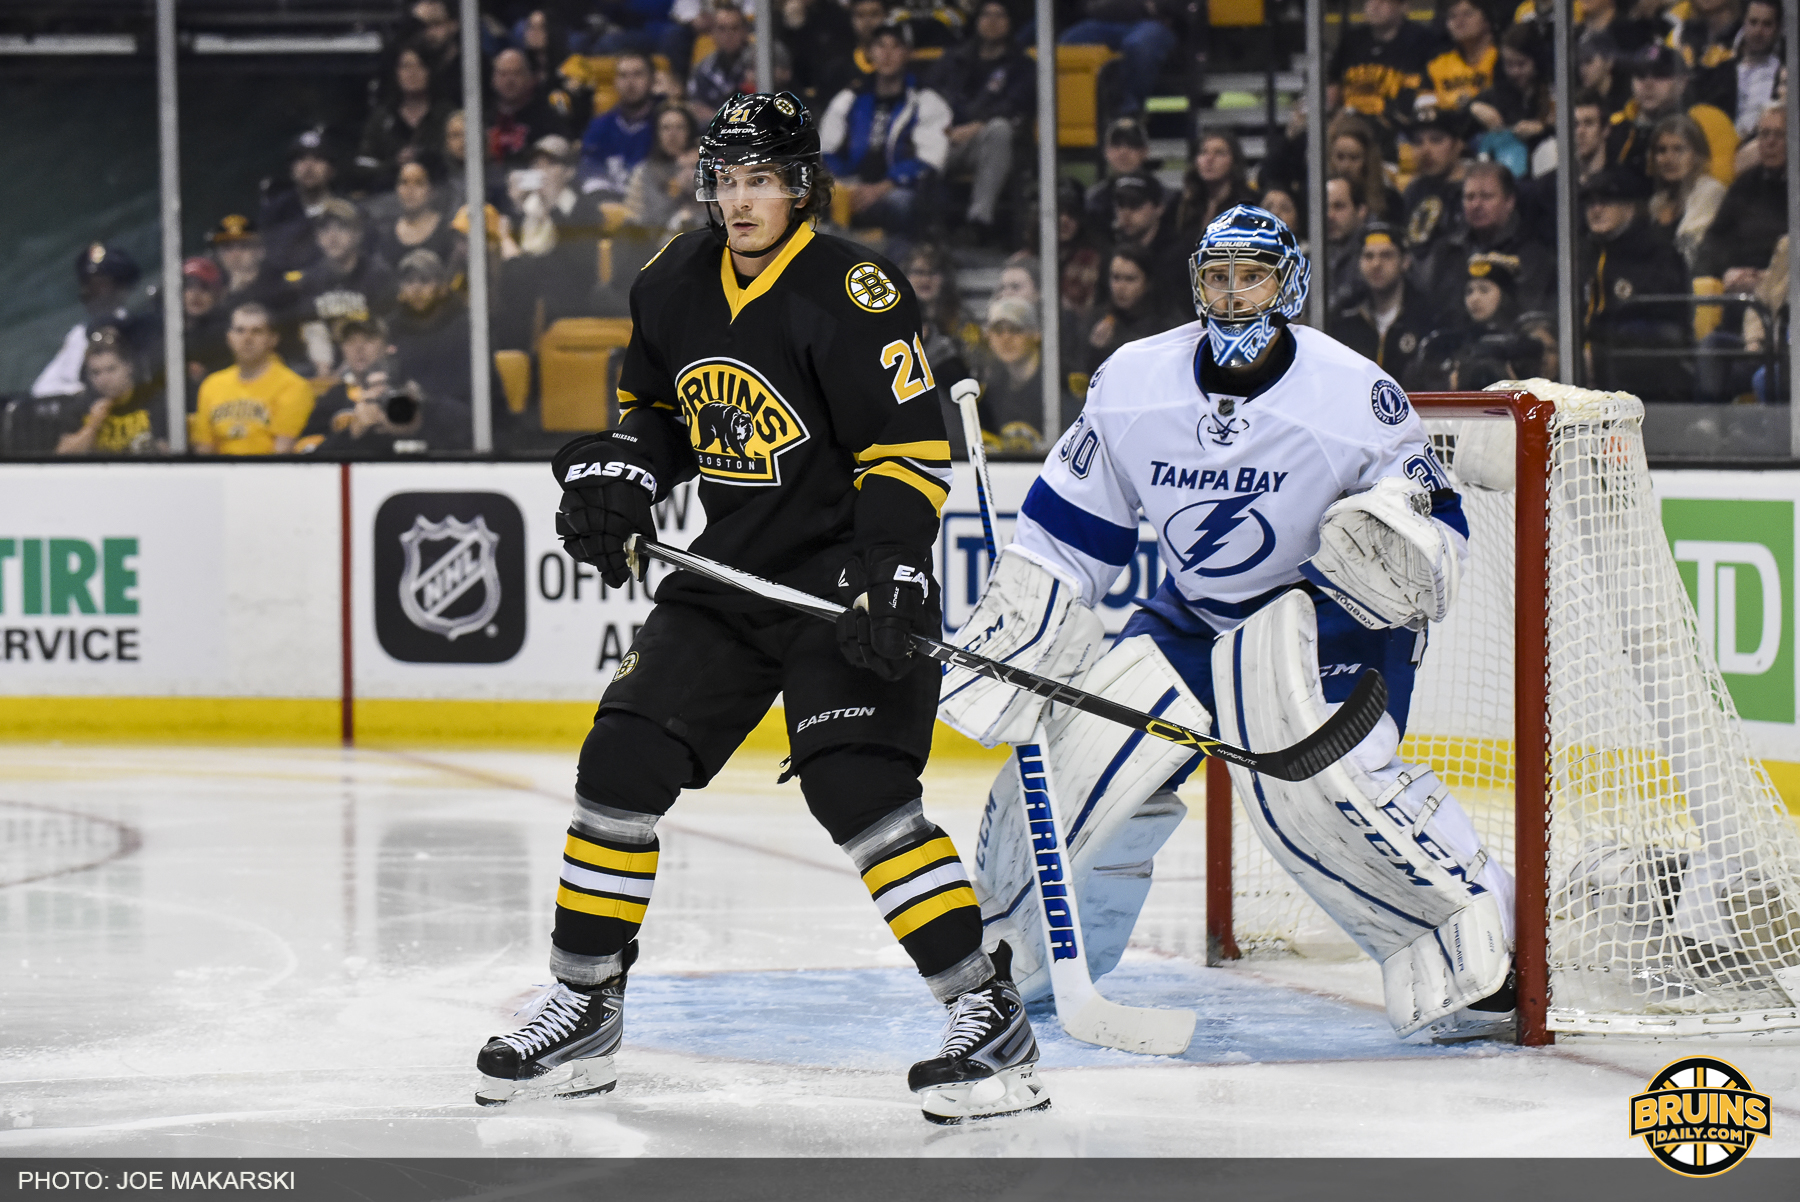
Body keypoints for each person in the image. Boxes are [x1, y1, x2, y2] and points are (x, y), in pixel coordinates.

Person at [474, 92, 1047, 1125]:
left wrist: (895, 572)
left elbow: (904, 451)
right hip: (733, 574)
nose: (740, 200)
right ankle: (586, 1002)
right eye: (726, 179)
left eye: (761, 179)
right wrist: (628, 475)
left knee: (859, 789)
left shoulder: (853, 291)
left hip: (844, 578)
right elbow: (654, 412)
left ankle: (985, 1008)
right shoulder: (671, 283)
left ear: (800, 187)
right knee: (620, 764)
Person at [941, 203, 1518, 1048]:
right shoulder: (1135, 383)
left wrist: (1400, 541)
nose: (1236, 296)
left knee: (1323, 786)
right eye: (1219, 277)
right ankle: (1021, 964)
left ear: (1291, 284)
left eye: (1254, 277)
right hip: (1196, 616)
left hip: (1328, 619)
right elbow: (1072, 530)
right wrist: (1029, 627)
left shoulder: (1353, 394)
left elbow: (1437, 524)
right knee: (1074, 771)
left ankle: (1483, 950)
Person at [820, 25, 952, 238]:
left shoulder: (926, 99)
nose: (887, 54)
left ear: (908, 53)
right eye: (880, 46)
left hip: (898, 190)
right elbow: (826, 150)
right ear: (870, 52)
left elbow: (930, 161)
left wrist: (882, 187)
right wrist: (844, 184)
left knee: (903, 204)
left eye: (896, 46)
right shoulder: (850, 97)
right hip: (851, 186)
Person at [1579, 168, 1692, 400]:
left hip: (1646, 354)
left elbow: (1665, 310)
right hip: (1591, 349)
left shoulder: (1657, 249)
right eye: (1591, 203)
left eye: (1606, 202)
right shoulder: (1581, 252)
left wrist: (1596, 350)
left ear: (1629, 207)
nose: (1596, 210)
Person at [928, 0, 1034, 243]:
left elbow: (1015, 105)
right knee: (919, 138)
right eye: (986, 15)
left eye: (1000, 16)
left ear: (1010, 23)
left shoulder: (1022, 65)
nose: (992, 21)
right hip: (947, 138)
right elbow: (930, 96)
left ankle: (979, 221)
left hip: (989, 143)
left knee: (1000, 129)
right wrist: (943, 128)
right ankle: (926, 222)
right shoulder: (954, 59)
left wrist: (976, 127)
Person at [1419, 162, 1554, 316]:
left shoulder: (1533, 254)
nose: (1476, 205)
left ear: (1509, 201)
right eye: (1470, 197)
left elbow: (1531, 313)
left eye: (1486, 197)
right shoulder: (1447, 252)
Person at [30, 243, 153, 400]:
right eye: (87, 284)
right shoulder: (79, 333)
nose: (89, 292)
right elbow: (42, 389)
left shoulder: (135, 329)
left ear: (121, 287)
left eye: (99, 285)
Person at [292, 199, 398, 377]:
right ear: (317, 238)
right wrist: (323, 368)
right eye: (325, 230)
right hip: (327, 363)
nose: (332, 237)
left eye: (341, 228)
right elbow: (313, 329)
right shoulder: (311, 279)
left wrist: (347, 369)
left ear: (357, 234)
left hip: (373, 362)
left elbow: (386, 331)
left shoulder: (379, 275)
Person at [192, 302, 315, 456]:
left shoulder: (293, 386)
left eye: (257, 331)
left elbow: (282, 452)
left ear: (273, 339)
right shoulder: (212, 384)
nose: (247, 338)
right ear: (229, 338)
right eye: (240, 330)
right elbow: (204, 449)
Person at [1696, 102, 1788, 290]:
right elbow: (1715, 239)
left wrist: (1769, 276)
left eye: (1780, 135)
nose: (1770, 142)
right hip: (1740, 284)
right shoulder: (1745, 184)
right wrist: (1727, 271)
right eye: (1764, 134)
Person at [1330, 224, 1434, 381]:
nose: (1376, 264)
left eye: (1386, 255)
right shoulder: (1345, 318)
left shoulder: (1426, 317)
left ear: (1405, 262)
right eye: (1368, 256)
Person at [976, 295, 1073, 452]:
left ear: (1036, 334)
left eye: (1016, 330)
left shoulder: (1058, 384)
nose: (1006, 338)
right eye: (998, 331)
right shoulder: (990, 391)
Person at [1327, 0, 1439, 136]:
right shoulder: (1351, 40)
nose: (1374, 5)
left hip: (1400, 127)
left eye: (1383, 1)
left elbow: (1430, 93)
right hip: (1352, 124)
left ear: (1404, 7)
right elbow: (1333, 84)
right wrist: (1331, 114)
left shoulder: (1422, 41)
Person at [355, 41, 452, 190]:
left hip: (440, 194)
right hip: (387, 196)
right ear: (396, 72)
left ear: (430, 71)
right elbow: (364, 166)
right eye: (405, 66)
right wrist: (395, 163)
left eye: (419, 66)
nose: (412, 73)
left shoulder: (446, 115)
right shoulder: (382, 118)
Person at [1057, 0, 1180, 115]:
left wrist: (1160, 7)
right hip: (1105, 20)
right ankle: (1076, 118)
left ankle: (1129, 113)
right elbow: (1091, 6)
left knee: (1137, 44)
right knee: (1067, 43)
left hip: (1152, 23)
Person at [55, 336, 166, 456]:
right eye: (96, 373)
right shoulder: (83, 407)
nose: (103, 379)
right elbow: (63, 456)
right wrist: (93, 425)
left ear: (129, 367)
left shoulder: (153, 399)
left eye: (111, 369)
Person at [1647, 113, 1727, 269]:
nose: (1669, 158)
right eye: (1662, 150)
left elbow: (1691, 251)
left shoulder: (1710, 191)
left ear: (1697, 155)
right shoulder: (1658, 201)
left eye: (1679, 149)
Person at [1082, 244, 1177, 373]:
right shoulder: (1096, 320)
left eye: (1129, 279)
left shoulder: (1167, 326)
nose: (1120, 287)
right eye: (1116, 278)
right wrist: (1096, 350)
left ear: (1148, 283)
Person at [259, 129, 342, 275]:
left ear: (331, 170)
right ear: (291, 169)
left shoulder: (348, 211)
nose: (308, 167)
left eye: (317, 159)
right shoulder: (274, 214)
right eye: (301, 159)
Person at [580, 51, 660, 201]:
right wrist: (605, 202)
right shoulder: (599, 126)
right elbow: (589, 168)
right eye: (623, 76)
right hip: (606, 206)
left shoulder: (665, 124)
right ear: (615, 82)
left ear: (652, 80)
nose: (630, 82)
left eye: (637, 74)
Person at [488, 48, 577, 172]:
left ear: (530, 78)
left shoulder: (547, 117)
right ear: (493, 79)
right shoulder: (481, 115)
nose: (509, 80)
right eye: (503, 74)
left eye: (516, 73)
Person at [1402, 107, 1470, 262]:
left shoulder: (1475, 189)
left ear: (1458, 145)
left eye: (1436, 140)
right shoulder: (1413, 191)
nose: (1425, 150)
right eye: (1418, 142)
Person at [626, 104, 708, 233]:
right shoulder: (646, 171)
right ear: (657, 134)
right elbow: (655, 219)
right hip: (653, 242)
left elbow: (717, 215)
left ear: (690, 132)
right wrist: (678, 187)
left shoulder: (705, 167)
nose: (672, 135)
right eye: (666, 128)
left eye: (679, 128)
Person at [375, 154, 459, 270]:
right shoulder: (384, 232)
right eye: (404, 182)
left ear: (433, 190)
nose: (410, 190)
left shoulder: (447, 232)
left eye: (419, 183)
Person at [1174, 131, 1259, 244]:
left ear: (1234, 161)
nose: (1209, 159)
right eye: (1203, 152)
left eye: (1219, 153)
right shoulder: (1183, 203)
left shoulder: (1250, 205)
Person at [1327, 112, 1403, 223]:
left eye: (1354, 158)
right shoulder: (1319, 196)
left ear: (1367, 161)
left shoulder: (1390, 200)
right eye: (1340, 157)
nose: (1345, 166)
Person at [1425, 0, 1496, 113]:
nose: (1459, 21)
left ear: (1487, 20)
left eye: (1468, 14)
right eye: (1452, 16)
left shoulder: (1501, 59)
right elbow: (1426, 109)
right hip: (1448, 125)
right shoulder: (1437, 65)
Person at [687, 3, 753, 122]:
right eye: (722, 29)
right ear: (713, 33)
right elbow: (696, 110)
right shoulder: (704, 69)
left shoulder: (760, 64)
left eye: (734, 28)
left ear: (745, 31)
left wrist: (716, 117)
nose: (728, 35)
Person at [181, 256, 232, 386]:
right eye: (189, 286)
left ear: (218, 294)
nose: (196, 294)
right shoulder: (160, 331)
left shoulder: (227, 335)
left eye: (205, 287)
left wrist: (207, 375)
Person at [1322, 176, 1371, 312]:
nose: (1329, 215)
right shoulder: (1311, 255)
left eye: (1339, 207)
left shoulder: (1373, 254)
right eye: (1325, 207)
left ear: (1361, 211)